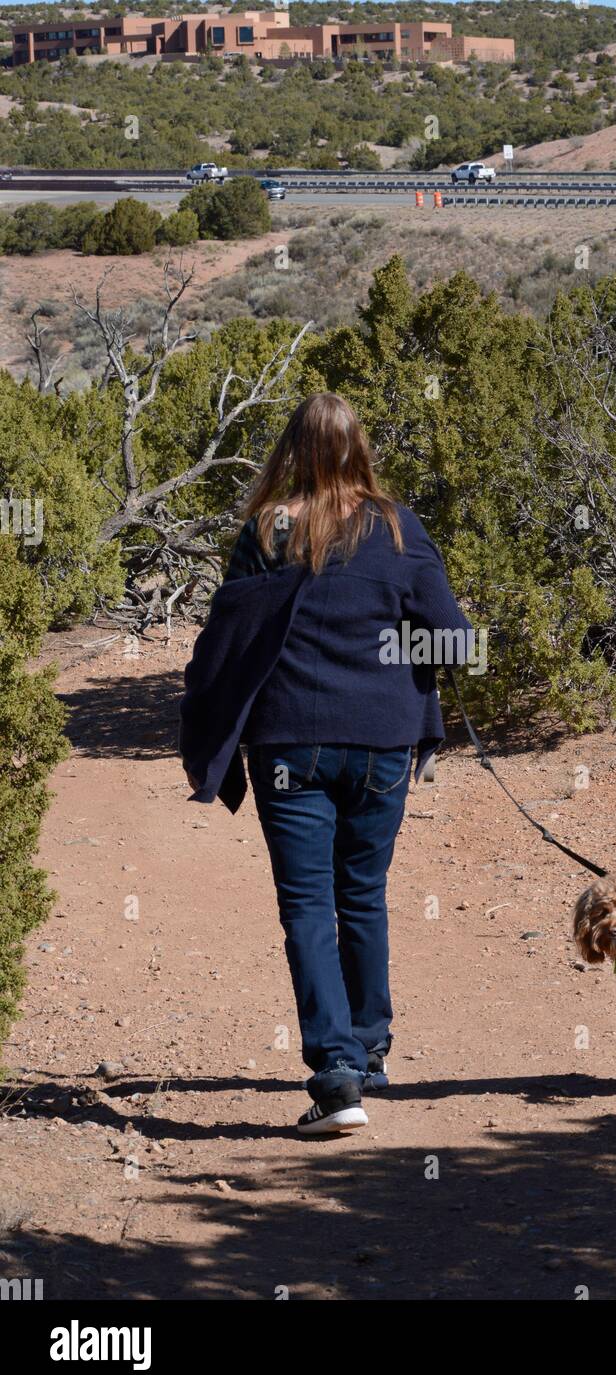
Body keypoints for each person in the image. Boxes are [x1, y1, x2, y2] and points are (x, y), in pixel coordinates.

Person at [179, 393, 472, 1135]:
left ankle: (339, 1081)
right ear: (357, 449)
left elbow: (227, 640)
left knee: (309, 907)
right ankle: (368, 1052)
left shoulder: (265, 530)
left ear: (292, 449)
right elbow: (457, 642)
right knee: (363, 894)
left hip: (289, 747)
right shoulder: (398, 528)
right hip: (381, 742)